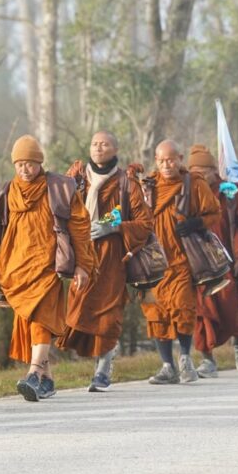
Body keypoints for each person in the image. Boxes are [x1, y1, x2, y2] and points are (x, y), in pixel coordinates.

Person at [0, 135, 95, 402]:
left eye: (29, 163)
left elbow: (79, 227)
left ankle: (32, 374)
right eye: (19, 164)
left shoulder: (59, 188)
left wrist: (83, 266)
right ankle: (47, 379)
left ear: (40, 162)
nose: (24, 169)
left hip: (49, 264)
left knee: (41, 316)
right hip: (15, 266)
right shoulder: (6, 192)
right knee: (29, 320)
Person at [59, 131, 154, 392]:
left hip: (112, 259)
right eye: (94, 143)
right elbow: (59, 208)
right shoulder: (78, 178)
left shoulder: (127, 183)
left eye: (105, 144)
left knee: (109, 313)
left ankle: (104, 368)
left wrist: (115, 227)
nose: (99, 147)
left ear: (115, 148)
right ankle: (97, 357)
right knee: (78, 310)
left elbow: (145, 224)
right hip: (83, 255)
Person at [135, 140, 221, 384]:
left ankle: (184, 357)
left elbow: (214, 213)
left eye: (171, 160)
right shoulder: (148, 185)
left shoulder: (194, 184)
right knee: (155, 312)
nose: (166, 165)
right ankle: (167, 366)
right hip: (153, 262)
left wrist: (196, 223)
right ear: (155, 160)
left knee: (183, 308)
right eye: (161, 161)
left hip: (181, 259)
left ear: (180, 158)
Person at [186, 145, 238, 376]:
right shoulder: (187, 194)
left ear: (214, 171)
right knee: (201, 310)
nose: (200, 175)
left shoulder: (230, 193)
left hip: (226, 259)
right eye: (194, 170)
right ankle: (207, 359)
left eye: (204, 170)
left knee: (229, 304)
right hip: (197, 261)